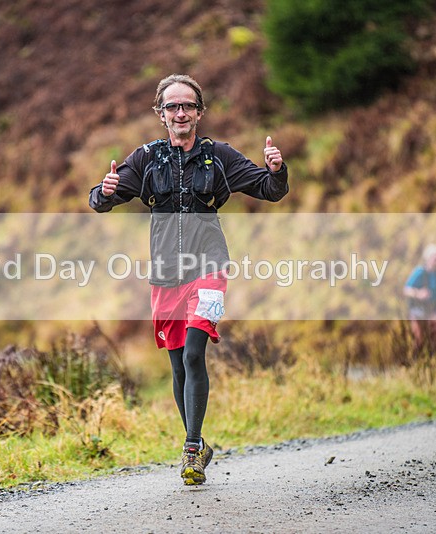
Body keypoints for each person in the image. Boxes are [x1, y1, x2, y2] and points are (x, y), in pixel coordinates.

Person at [88, 74, 289, 485]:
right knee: (179, 364)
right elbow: (103, 199)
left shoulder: (220, 156)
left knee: (195, 354)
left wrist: (277, 169)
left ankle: (192, 448)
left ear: (199, 112)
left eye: (187, 106)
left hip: (209, 267)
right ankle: (196, 441)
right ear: (161, 115)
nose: (180, 113)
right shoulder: (145, 158)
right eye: (172, 107)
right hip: (165, 275)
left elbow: (269, 190)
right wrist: (104, 191)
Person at [403, 244, 436, 350]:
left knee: (434, 334)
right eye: (433, 257)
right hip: (418, 309)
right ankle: (415, 358)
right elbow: (406, 290)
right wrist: (418, 294)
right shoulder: (419, 272)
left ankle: (432, 357)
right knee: (418, 338)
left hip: (432, 308)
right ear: (427, 258)